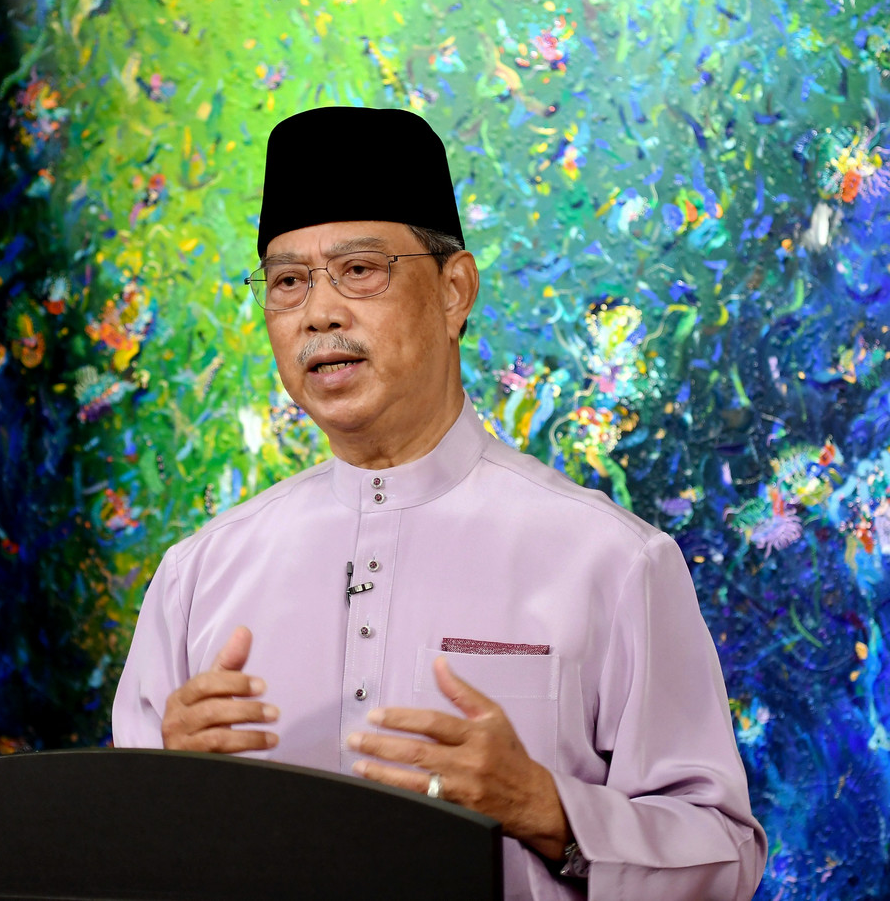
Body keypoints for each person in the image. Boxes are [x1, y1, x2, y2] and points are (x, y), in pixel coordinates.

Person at [112, 106, 766, 900]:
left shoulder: (611, 560)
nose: (320, 313)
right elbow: (122, 867)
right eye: (288, 282)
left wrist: (547, 809)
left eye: (360, 271)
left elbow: (725, 857)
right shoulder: (199, 576)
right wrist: (161, 797)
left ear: (455, 291)